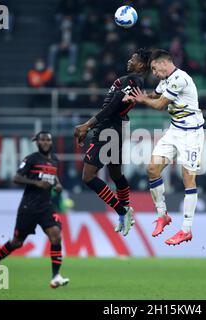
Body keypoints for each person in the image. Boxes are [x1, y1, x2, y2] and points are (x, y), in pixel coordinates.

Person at [128, 49, 205, 246]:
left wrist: (143, 99)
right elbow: (155, 93)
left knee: (188, 177)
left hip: (191, 134)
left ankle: (186, 230)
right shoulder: (166, 80)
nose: (153, 73)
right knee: (152, 169)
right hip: (175, 130)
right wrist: (136, 95)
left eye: (154, 68)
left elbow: (160, 104)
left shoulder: (180, 79)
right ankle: (163, 215)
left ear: (164, 63)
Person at [74, 49, 151, 237]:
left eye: (133, 58)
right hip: (116, 128)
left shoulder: (132, 80)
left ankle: (122, 211)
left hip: (108, 129)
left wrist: (87, 125)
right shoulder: (133, 81)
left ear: (140, 65)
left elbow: (113, 106)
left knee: (88, 177)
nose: (129, 60)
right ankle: (125, 210)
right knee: (116, 173)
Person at [0, 131, 69, 289]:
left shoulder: (55, 160)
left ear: (51, 143)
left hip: (46, 206)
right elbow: (16, 178)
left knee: (56, 235)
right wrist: (36, 183)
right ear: (37, 142)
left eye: (48, 140)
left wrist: (58, 185)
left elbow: (53, 176)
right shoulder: (31, 159)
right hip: (28, 207)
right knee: (17, 243)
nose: (45, 142)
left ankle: (55, 276)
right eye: (42, 140)